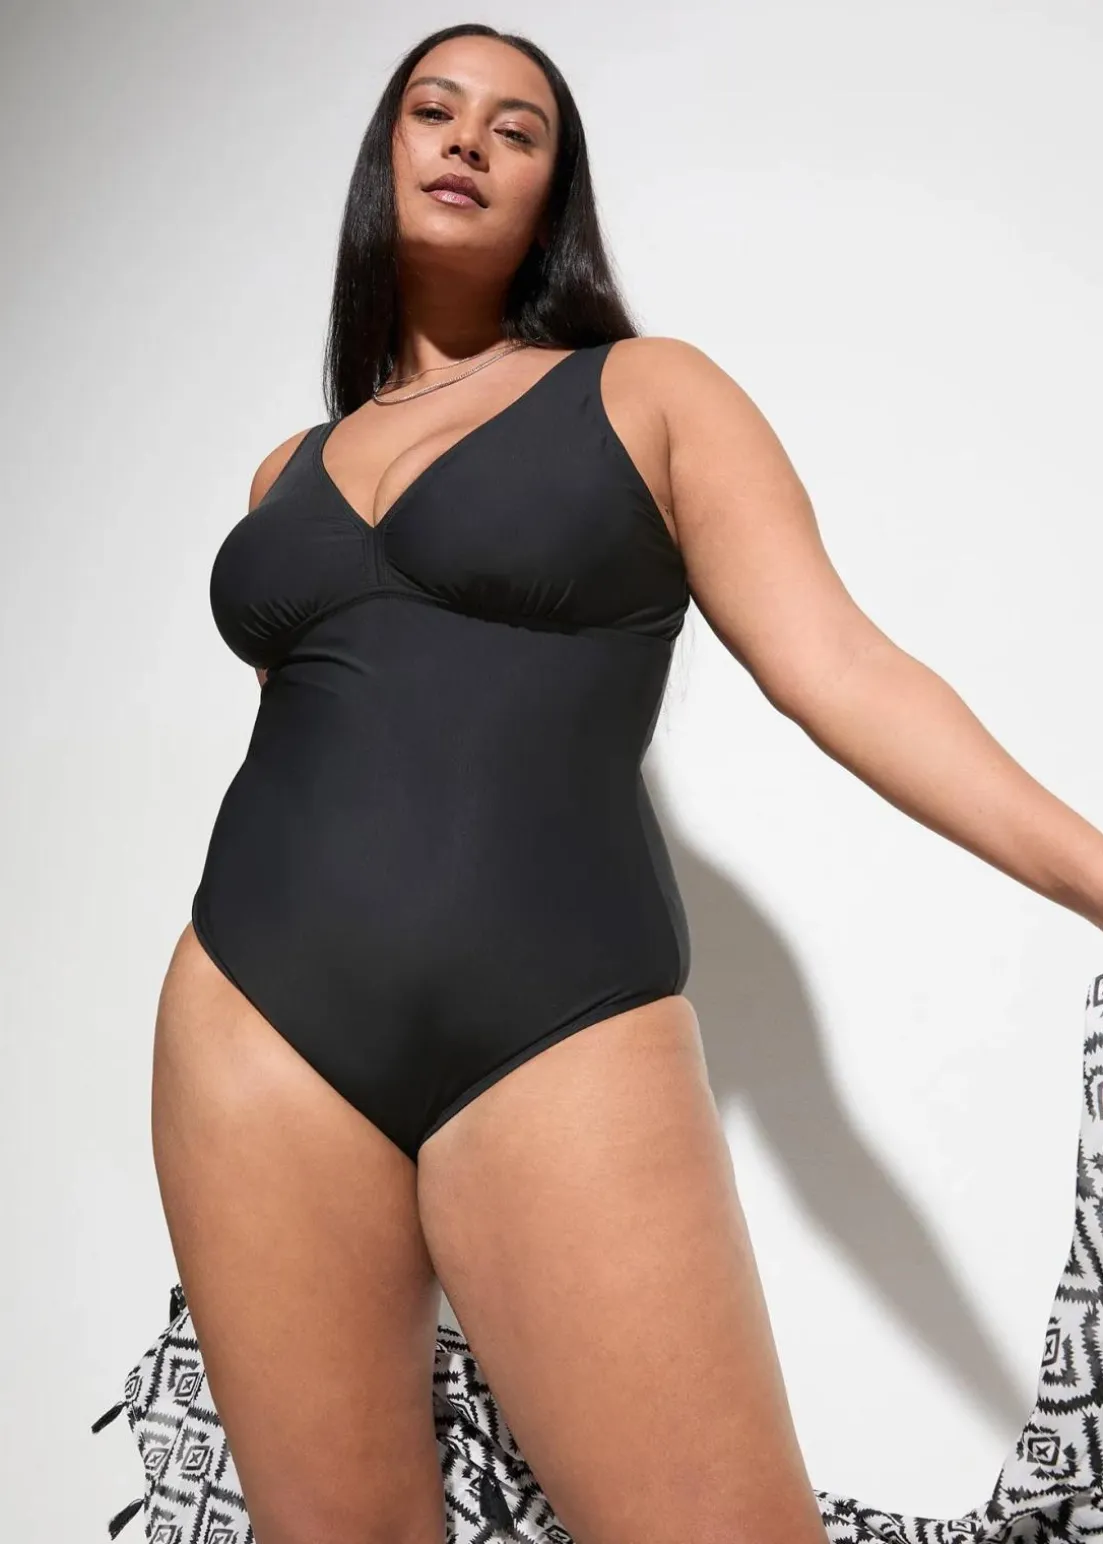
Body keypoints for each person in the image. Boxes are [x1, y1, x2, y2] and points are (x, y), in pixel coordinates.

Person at [148, 21, 1103, 1544]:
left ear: (554, 192)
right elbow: (324, 744)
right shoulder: (286, 474)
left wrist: (1094, 874)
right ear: (386, 154)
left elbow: (839, 669)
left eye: (515, 129)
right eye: (434, 110)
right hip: (255, 1019)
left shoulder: (648, 393)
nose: (467, 141)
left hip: (554, 1014)